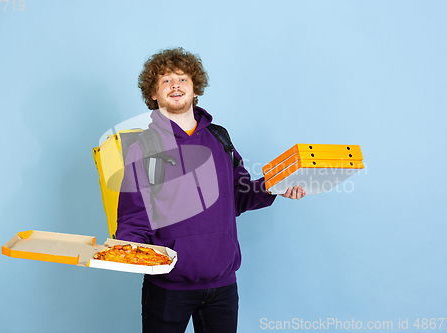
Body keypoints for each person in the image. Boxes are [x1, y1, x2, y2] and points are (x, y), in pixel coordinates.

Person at [116, 47, 305, 333]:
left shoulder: (219, 138)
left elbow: (239, 196)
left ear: (194, 90)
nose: (175, 85)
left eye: (183, 79)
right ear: (153, 94)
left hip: (223, 286)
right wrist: (126, 249)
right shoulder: (143, 148)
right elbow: (134, 216)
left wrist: (273, 187)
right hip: (169, 286)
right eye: (166, 80)